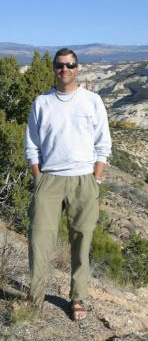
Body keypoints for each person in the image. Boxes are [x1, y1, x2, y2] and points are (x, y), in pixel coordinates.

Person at [24, 48, 111, 321]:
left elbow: (103, 142)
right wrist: (39, 177)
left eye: (70, 65)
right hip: (49, 179)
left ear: (78, 68)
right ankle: (35, 298)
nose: (65, 70)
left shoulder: (92, 101)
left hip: (84, 179)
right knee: (39, 241)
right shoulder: (42, 102)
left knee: (81, 242)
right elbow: (32, 144)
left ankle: (78, 298)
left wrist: (96, 177)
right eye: (60, 65)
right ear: (53, 68)